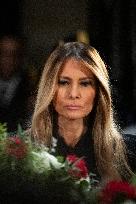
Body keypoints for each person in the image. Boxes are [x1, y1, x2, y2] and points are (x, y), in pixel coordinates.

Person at [31, 42, 136, 183]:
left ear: (98, 91)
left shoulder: (128, 153)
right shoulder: (18, 151)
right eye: (64, 82)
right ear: (48, 88)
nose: (73, 94)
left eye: (85, 83)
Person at [0, 35, 30, 132]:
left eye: (14, 54)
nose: (9, 59)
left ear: (21, 57)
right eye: (4, 53)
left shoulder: (29, 86)